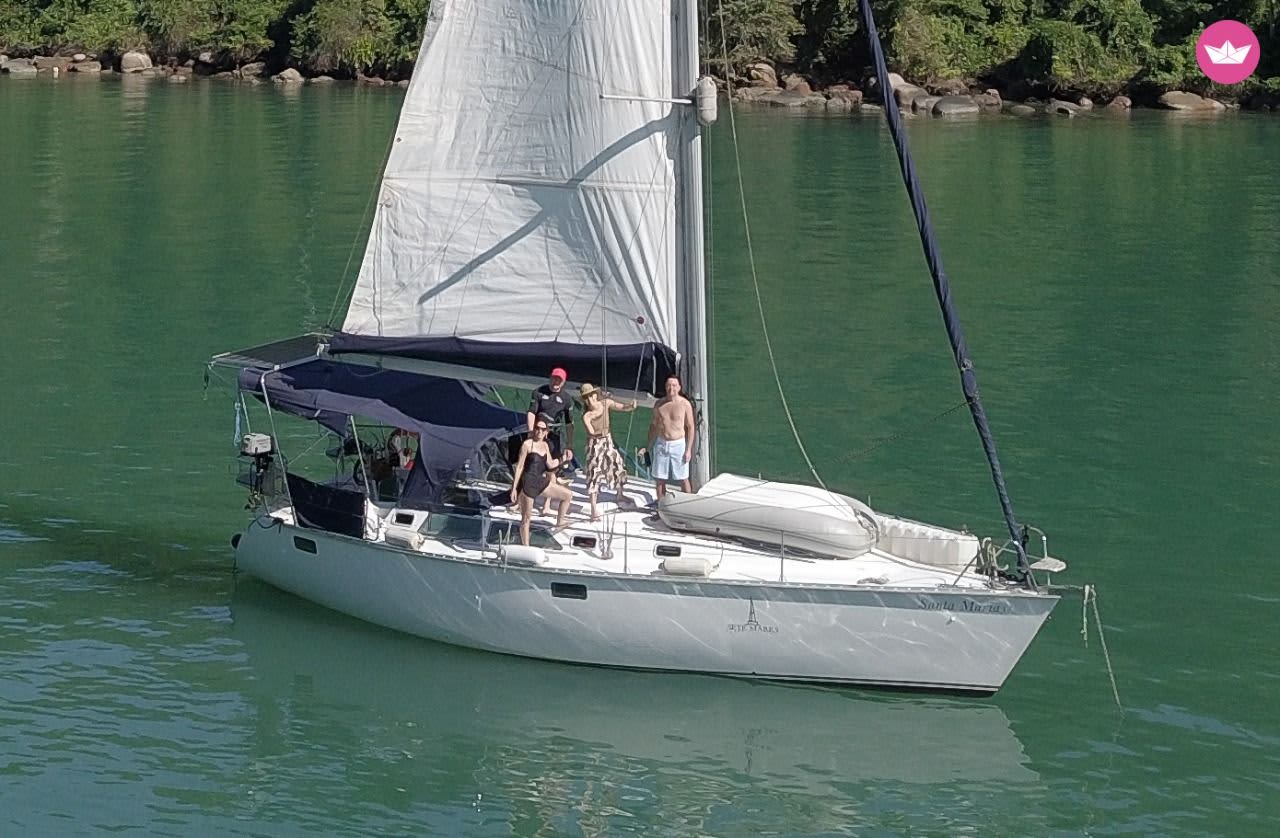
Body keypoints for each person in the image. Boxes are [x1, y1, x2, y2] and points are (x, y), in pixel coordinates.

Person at [509, 420, 574, 545]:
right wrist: (514, 488)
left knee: (567, 495)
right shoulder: (527, 444)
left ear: (546, 432)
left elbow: (550, 464)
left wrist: (563, 459)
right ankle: (526, 546)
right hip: (528, 482)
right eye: (537, 428)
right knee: (526, 518)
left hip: (540, 481)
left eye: (543, 429)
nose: (539, 431)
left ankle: (560, 522)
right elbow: (520, 467)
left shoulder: (545, 445)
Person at [579, 382, 637, 519]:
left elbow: (622, 407)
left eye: (591, 395)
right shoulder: (587, 415)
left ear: (595, 395)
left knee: (617, 465)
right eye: (586, 398)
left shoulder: (606, 403)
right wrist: (599, 432)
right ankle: (593, 508)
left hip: (608, 440)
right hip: (595, 444)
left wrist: (631, 406)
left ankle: (620, 494)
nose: (589, 399)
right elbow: (591, 431)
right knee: (594, 473)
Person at [527, 367, 576, 513]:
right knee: (530, 466)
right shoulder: (539, 392)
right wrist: (531, 433)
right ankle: (522, 500)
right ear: (550, 378)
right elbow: (531, 412)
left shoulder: (566, 399)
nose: (556, 382)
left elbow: (569, 423)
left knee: (551, 470)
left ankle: (547, 504)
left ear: (563, 382)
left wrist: (569, 444)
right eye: (554, 378)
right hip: (538, 433)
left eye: (559, 380)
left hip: (554, 436)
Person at [648, 374, 696, 499]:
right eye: (669, 385)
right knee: (660, 478)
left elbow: (691, 427)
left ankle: (687, 503)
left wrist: (688, 449)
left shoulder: (685, 404)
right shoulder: (659, 404)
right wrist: (648, 445)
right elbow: (654, 425)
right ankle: (661, 504)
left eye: (674, 385)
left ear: (679, 387)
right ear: (665, 387)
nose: (671, 388)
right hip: (661, 443)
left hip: (678, 444)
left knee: (683, 477)